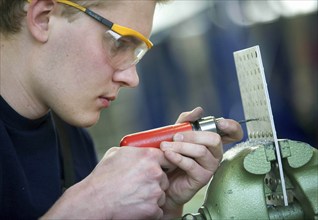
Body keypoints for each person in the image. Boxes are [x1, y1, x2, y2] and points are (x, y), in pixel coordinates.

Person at [0, 0, 243, 219]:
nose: (131, 78)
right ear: (43, 18)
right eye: (120, 43)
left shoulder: (71, 141)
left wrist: (163, 207)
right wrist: (89, 205)